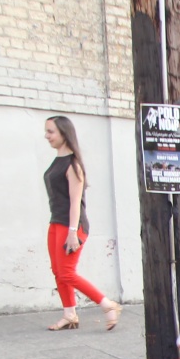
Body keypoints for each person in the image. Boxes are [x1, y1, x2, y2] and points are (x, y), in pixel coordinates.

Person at [42, 116, 120, 331]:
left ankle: (108, 305)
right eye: (46, 131)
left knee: (67, 272)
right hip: (56, 222)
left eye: (51, 132)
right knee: (58, 271)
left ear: (64, 133)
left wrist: (72, 232)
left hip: (72, 226)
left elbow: (75, 202)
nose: (46, 136)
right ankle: (69, 315)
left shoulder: (73, 165)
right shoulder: (57, 162)